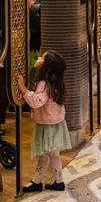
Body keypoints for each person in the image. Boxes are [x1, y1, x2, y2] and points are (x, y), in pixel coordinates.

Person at [17, 50, 69, 192]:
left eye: (42, 58)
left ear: (46, 66)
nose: (38, 58)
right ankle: (37, 181)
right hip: (54, 123)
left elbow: (37, 101)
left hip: (48, 126)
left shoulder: (44, 84)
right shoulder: (54, 82)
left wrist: (23, 89)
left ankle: (59, 182)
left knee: (51, 154)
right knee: (46, 154)